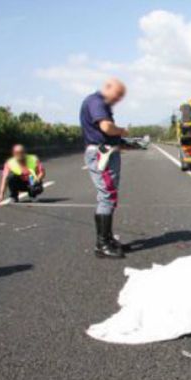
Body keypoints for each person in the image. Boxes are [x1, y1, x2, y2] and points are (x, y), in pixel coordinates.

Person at [80, 78, 129, 259]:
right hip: (102, 155)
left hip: (106, 152)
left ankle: (107, 239)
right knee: (107, 196)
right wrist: (122, 131)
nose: (118, 100)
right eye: (117, 95)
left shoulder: (99, 103)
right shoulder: (96, 101)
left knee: (109, 195)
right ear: (107, 88)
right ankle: (102, 244)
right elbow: (107, 127)